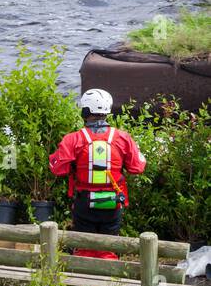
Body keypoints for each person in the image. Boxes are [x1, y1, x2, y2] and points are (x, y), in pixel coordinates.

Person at [48, 88, 147, 260]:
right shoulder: (123, 138)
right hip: (113, 202)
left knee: (85, 246)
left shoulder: (73, 139)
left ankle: (85, 284)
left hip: (84, 202)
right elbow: (137, 168)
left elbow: (57, 168)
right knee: (108, 247)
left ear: (85, 111)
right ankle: (108, 282)